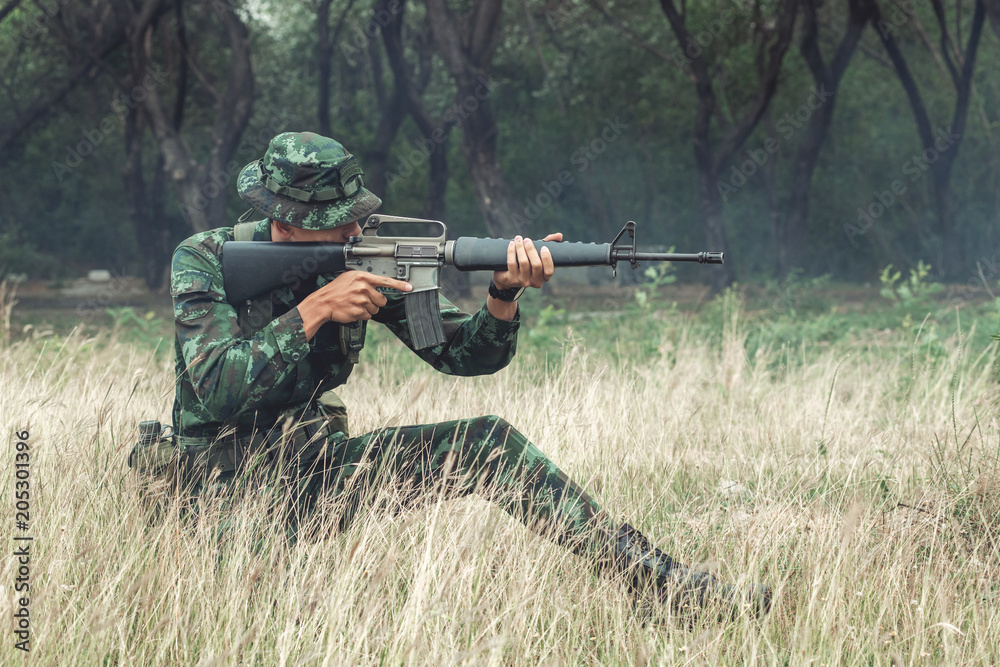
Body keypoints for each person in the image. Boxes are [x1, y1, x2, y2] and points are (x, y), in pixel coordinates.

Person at [148, 130, 768, 619]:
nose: (357, 230)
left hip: (314, 468)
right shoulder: (206, 259)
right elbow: (219, 389)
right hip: (220, 491)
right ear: (286, 221)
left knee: (488, 444)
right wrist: (315, 310)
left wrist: (503, 294)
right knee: (271, 612)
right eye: (340, 219)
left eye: (357, 214)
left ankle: (665, 587)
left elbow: (462, 357)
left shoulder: (363, 254)